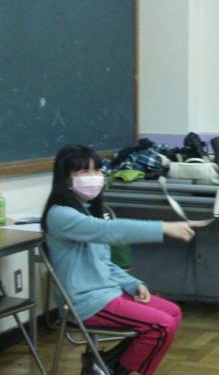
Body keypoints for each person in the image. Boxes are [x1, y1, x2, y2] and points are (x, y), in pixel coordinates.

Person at [41, 144, 196, 375]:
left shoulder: (86, 210)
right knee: (160, 326)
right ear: (66, 179)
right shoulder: (60, 215)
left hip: (108, 292)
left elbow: (103, 262)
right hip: (86, 302)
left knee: (172, 313)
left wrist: (132, 283)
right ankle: (111, 369)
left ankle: (105, 366)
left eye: (97, 171)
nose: (94, 177)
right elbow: (110, 231)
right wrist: (162, 227)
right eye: (84, 172)